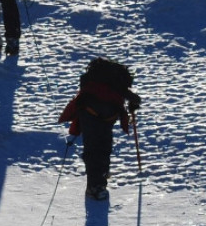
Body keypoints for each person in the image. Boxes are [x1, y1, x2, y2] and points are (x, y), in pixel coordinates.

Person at [57, 57, 142, 202]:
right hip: (106, 116)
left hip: (89, 112)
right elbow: (135, 99)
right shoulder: (118, 84)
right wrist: (133, 105)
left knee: (93, 148)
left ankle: (96, 183)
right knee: (103, 146)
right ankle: (98, 181)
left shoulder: (96, 82)